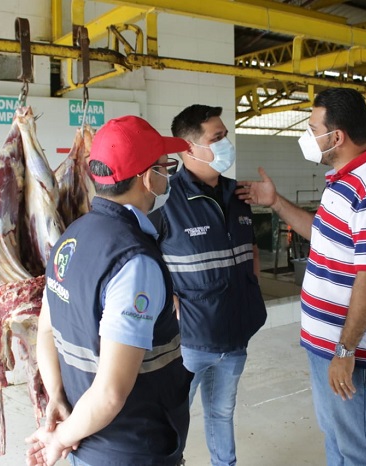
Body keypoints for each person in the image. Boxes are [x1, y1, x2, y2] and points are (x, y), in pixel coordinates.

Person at [238, 88, 366, 466]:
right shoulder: (344, 179)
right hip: (329, 346)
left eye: (313, 127)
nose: (308, 135)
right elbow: (323, 233)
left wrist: (345, 351)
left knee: (358, 451)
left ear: (337, 137)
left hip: (356, 353)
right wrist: (276, 202)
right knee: (337, 440)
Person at [25, 115, 193, 466]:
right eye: (165, 167)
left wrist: (56, 396)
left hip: (84, 436)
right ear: (149, 178)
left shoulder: (70, 236)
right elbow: (111, 393)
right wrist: (59, 440)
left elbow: (44, 329)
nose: (168, 175)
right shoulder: (133, 261)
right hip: (130, 445)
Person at [149, 104, 267, 466]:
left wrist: (252, 289)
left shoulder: (240, 194)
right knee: (169, 423)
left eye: (225, 135)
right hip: (189, 342)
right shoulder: (167, 201)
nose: (225, 142)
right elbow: (143, 257)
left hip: (235, 334)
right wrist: (166, 299)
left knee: (221, 414)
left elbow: (251, 250)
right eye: (217, 138)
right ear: (189, 149)